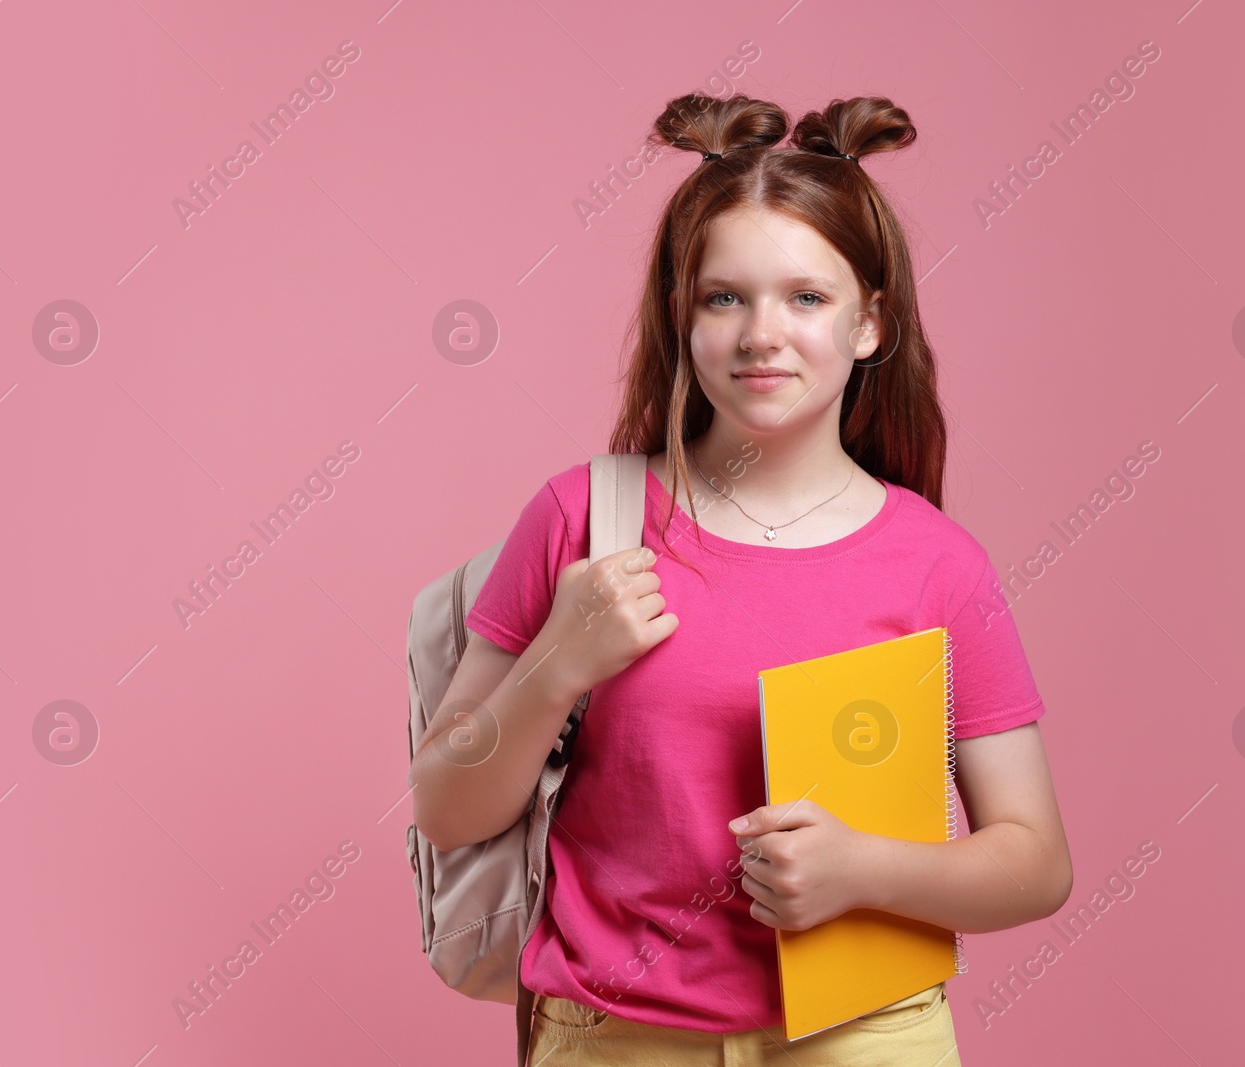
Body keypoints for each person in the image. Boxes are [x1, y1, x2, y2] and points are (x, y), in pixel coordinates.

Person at [409, 91, 1073, 1066]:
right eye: (725, 297)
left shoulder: (936, 562)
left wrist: (864, 868)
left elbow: (1035, 858)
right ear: (681, 316)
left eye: (806, 297)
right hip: (615, 1042)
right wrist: (556, 663)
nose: (763, 332)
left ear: (869, 325)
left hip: (864, 1037)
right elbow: (445, 806)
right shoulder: (580, 521)